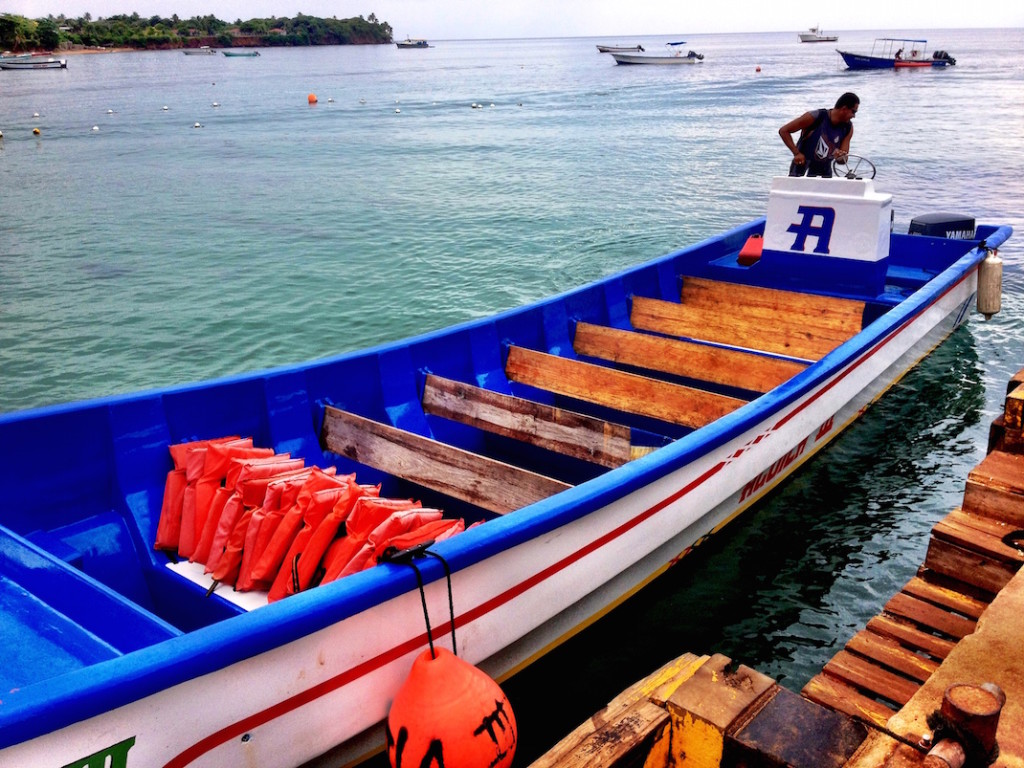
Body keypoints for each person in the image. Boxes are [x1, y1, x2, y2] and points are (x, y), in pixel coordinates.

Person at [779, 92, 859, 178]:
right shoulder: (816, 117)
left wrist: (840, 156)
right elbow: (784, 131)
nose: (854, 116)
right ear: (844, 109)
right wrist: (796, 153)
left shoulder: (848, 128)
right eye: (853, 111)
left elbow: (843, 160)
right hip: (802, 167)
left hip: (825, 171)